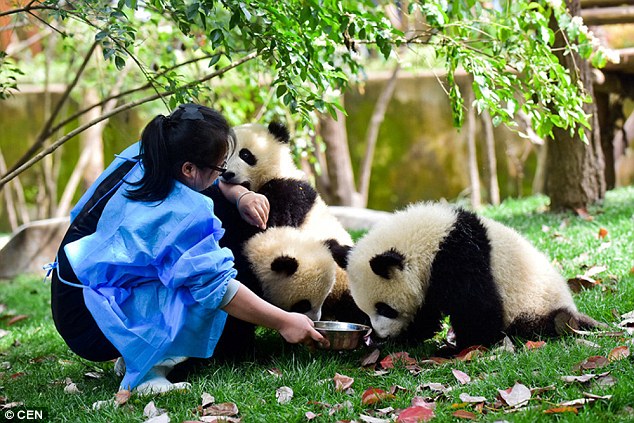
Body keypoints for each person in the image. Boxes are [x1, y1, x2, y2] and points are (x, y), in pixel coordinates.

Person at [50, 103, 328, 395]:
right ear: (189, 168)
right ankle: (146, 376)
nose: (224, 174)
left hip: (75, 293)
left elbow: (210, 185)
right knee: (195, 285)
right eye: (220, 167)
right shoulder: (176, 210)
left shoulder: (150, 155)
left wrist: (240, 194)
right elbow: (218, 289)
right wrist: (284, 321)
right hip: (89, 323)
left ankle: (137, 350)